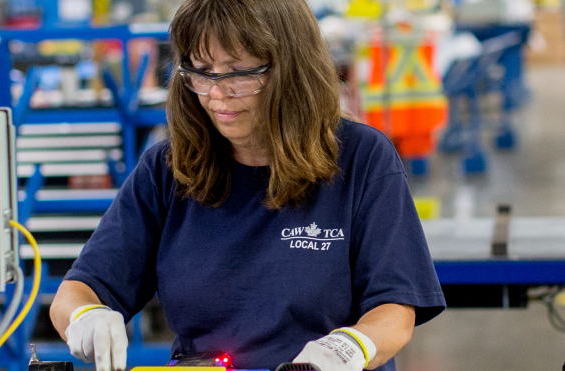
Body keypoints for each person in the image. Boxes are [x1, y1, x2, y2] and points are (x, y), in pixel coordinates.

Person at [50, 0, 446, 370]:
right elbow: (76, 292)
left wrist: (346, 349)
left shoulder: (360, 158)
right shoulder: (169, 168)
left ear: (292, 68)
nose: (217, 94)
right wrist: (87, 315)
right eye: (201, 72)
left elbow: (396, 311)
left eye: (239, 72)